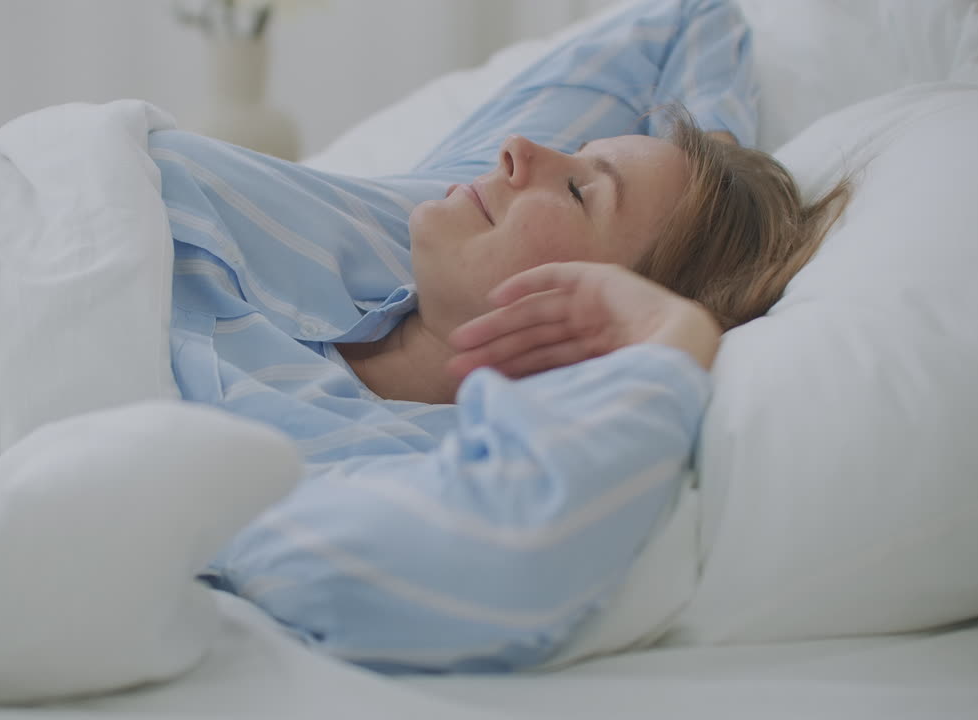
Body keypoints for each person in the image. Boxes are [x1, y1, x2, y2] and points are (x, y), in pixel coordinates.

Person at [147, 0, 848, 672]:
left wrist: (674, 337)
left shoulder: (365, 456)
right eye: (575, 154)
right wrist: (718, 168)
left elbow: (492, 563)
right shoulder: (436, 205)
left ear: (600, 317)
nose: (518, 149)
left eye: (579, 191)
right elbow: (686, 19)